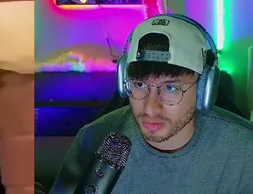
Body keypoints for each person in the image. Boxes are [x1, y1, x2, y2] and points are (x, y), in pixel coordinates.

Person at [50, 15, 253, 193]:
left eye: (170, 88)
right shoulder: (92, 139)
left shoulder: (245, 151)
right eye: (139, 85)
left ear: (203, 89)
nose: (150, 108)